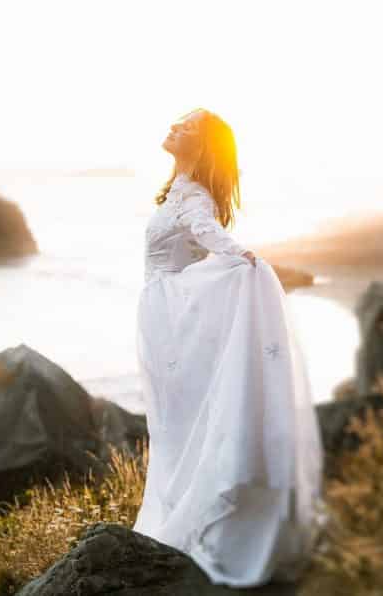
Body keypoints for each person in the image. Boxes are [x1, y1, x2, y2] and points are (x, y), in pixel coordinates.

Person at [132, 108, 326, 587]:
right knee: (173, 420)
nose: (174, 127)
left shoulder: (194, 196)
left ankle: (196, 519)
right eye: (178, 122)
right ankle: (180, 509)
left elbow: (207, 233)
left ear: (202, 147)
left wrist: (242, 256)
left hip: (173, 317)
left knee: (180, 419)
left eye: (187, 128)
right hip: (165, 315)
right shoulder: (178, 190)